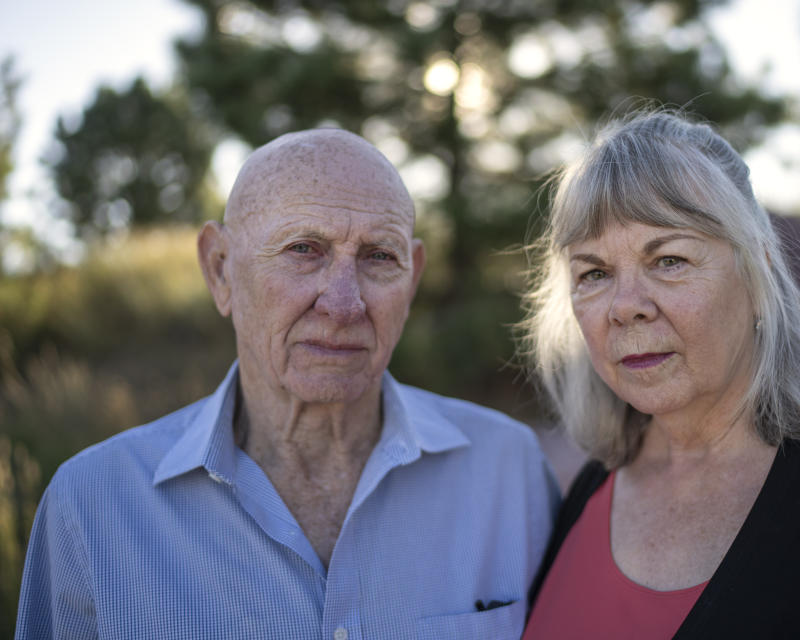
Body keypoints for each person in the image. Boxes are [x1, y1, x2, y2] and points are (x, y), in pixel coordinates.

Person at [17, 129, 559, 639]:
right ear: (221, 270)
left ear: (411, 279)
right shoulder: (93, 506)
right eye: (304, 249)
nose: (345, 304)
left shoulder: (510, 470)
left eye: (378, 257)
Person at [521, 111, 800, 639]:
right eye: (594, 273)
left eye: (669, 260)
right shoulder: (586, 495)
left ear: (759, 275)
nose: (625, 306)